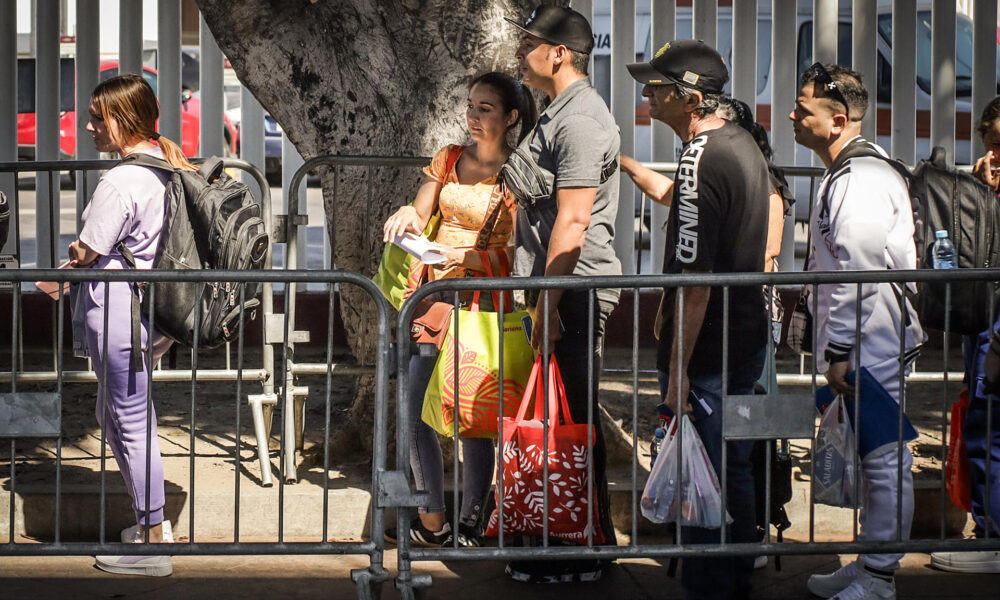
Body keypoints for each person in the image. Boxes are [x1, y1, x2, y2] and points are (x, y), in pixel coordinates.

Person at [627, 39, 771, 600]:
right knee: (730, 468)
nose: (646, 94)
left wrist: (678, 372)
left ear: (689, 96)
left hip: (710, 349)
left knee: (700, 474)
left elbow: (694, 281)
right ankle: (736, 575)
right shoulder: (740, 144)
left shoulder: (700, 157)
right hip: (743, 338)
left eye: (656, 87)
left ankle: (710, 585)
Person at [381, 71, 536, 549]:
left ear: (510, 117)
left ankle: (471, 523)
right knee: (414, 415)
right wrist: (409, 215)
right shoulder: (448, 158)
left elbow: (523, 255)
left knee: (474, 417)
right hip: (431, 300)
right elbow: (424, 207)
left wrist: (464, 257)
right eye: (471, 105)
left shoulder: (519, 175)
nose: (473, 115)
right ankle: (433, 521)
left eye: (485, 108)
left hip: (484, 304)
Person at [791, 63, 924, 600]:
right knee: (873, 457)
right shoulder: (847, 174)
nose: (795, 116)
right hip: (861, 341)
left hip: (872, 342)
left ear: (839, 120)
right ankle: (871, 562)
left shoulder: (862, 179)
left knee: (885, 458)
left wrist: (840, 350)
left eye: (805, 109)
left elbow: (858, 272)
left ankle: (879, 575)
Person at [505, 4, 622, 583]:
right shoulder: (559, 111)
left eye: (529, 43)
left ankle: (583, 549)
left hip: (573, 288)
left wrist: (547, 304)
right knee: (559, 423)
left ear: (561, 52)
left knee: (573, 424)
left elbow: (573, 222)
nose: (519, 52)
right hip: (554, 288)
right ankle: (557, 539)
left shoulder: (579, 121)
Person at [67, 74, 193, 576]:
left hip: (120, 307)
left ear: (122, 121)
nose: (90, 128)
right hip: (151, 309)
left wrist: (75, 255)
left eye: (98, 118)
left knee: (127, 417)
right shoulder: (167, 165)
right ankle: (149, 524)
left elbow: (89, 247)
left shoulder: (121, 180)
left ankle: (152, 539)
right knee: (116, 411)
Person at [930, 96, 1000, 573]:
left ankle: (992, 538)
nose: (995, 157)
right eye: (992, 146)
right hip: (986, 319)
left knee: (988, 427)